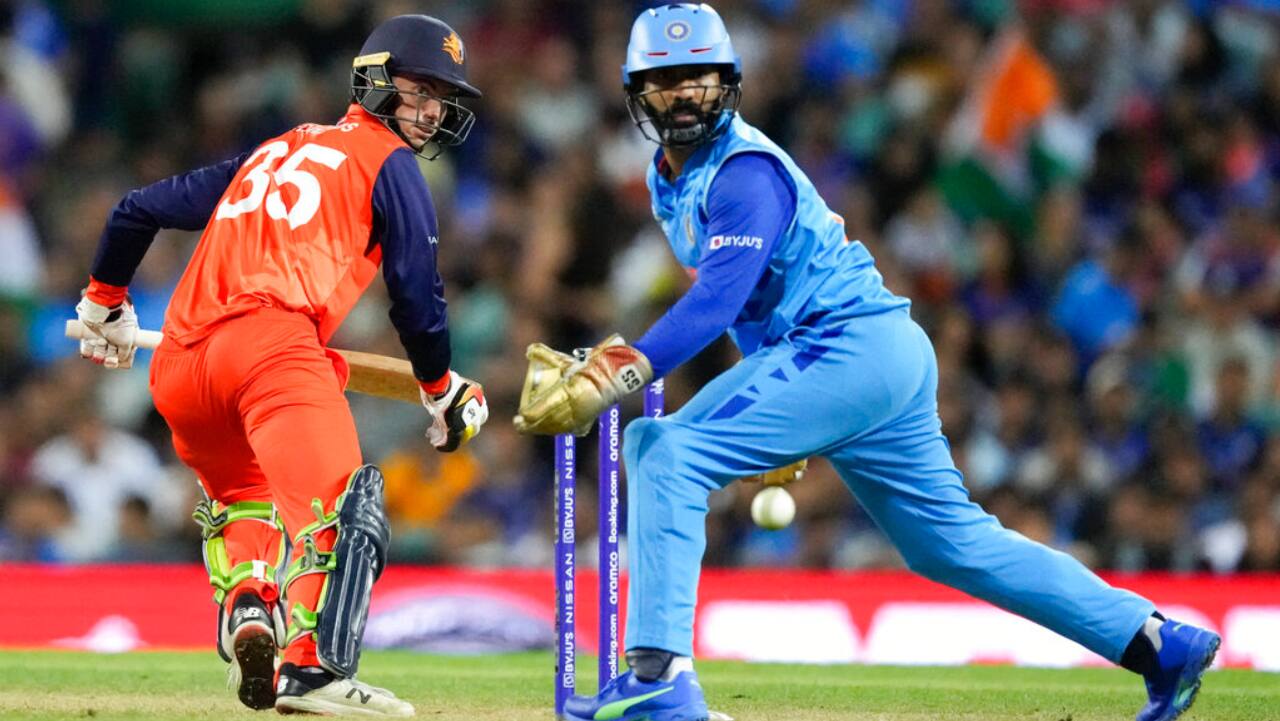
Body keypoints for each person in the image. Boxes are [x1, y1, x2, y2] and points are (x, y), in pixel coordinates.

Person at [514, 5, 1218, 721]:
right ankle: (1156, 642)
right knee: (952, 545)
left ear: (729, 84)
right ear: (638, 94)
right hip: (864, 354)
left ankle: (661, 677)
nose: (687, 95)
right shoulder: (670, 179)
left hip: (845, 346)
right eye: (667, 82)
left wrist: (612, 372)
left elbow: (717, 304)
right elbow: (757, 304)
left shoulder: (743, 172)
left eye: (701, 77)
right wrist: (782, 428)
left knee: (662, 447)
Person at [74, 14, 490, 717]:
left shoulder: (272, 151)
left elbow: (135, 209)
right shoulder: (388, 164)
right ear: (376, 81)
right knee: (338, 508)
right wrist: (440, 388)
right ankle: (313, 669)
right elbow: (419, 297)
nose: (431, 112)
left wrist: (102, 302)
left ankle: (248, 610)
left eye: (441, 100)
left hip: (181, 363)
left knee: (247, 500)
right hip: (273, 347)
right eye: (420, 91)